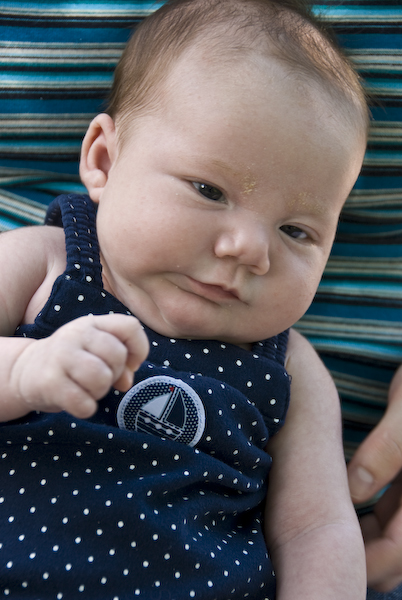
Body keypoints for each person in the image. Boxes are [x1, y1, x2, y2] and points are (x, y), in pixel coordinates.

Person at [0, 0, 369, 598]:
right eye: (209, 190)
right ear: (105, 160)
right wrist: (23, 370)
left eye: (296, 230)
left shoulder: (291, 368)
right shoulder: (43, 263)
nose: (250, 249)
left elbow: (316, 529)